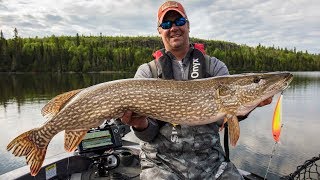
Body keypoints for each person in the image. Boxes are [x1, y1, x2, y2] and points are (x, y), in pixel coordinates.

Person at [121, 1, 272, 179]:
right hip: (161, 163)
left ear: (188, 25)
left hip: (210, 163)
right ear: (160, 31)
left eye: (179, 21)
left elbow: (223, 119)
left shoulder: (214, 67)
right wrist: (139, 124)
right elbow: (148, 134)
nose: (174, 28)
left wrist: (249, 104)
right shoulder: (147, 72)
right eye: (167, 24)